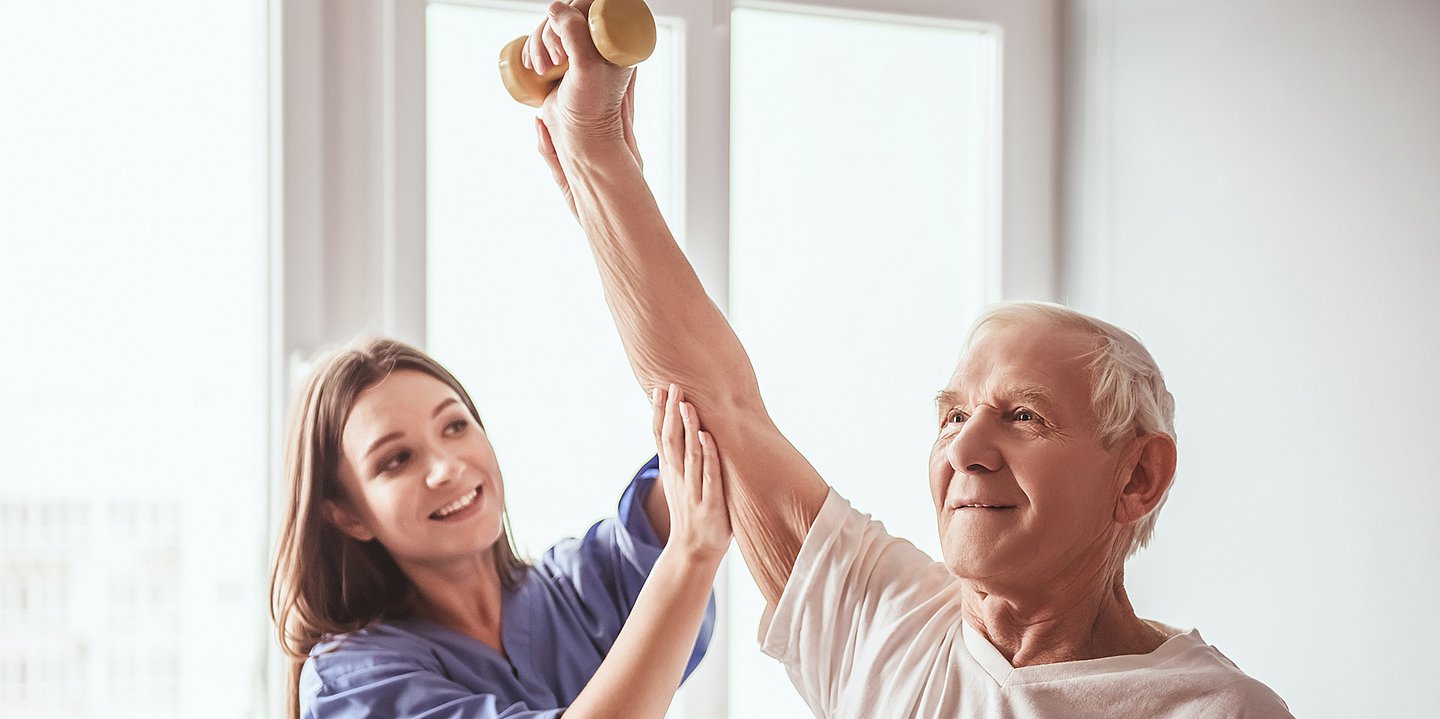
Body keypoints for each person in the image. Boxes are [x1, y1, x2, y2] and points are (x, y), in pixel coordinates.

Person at [521, 1, 1294, 716]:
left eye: (1023, 415)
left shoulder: (1215, 708)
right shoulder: (887, 623)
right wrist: (598, 153)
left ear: (1138, 476)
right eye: (954, 414)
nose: (963, 447)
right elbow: (713, 403)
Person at [269, 337, 730, 718]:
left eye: (454, 426)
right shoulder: (355, 683)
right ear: (348, 515)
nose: (446, 468)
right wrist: (691, 554)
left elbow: (707, 425)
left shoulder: (580, 586)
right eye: (396, 460)